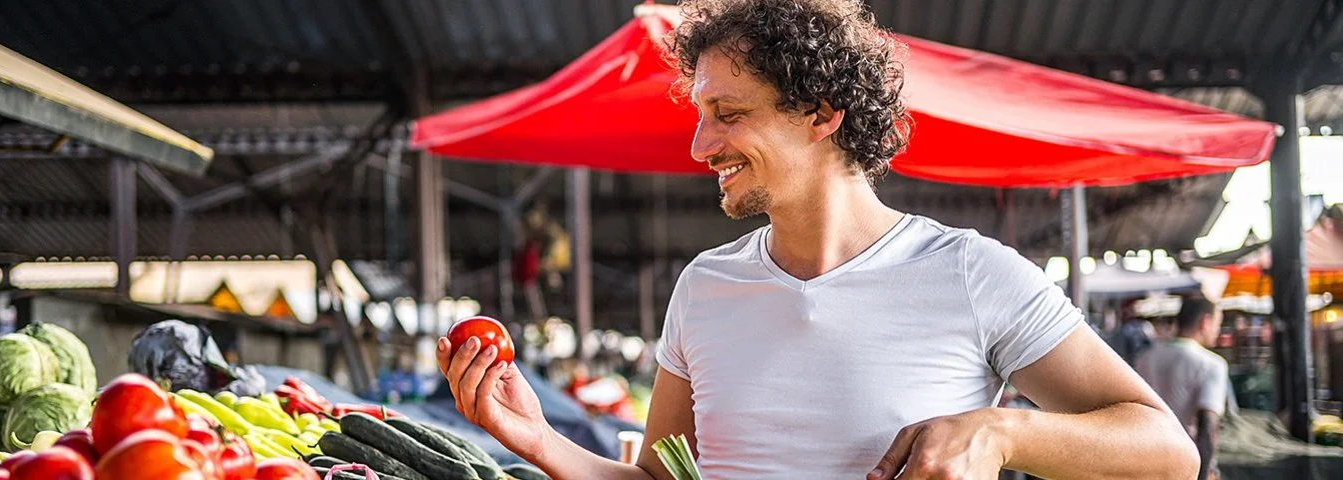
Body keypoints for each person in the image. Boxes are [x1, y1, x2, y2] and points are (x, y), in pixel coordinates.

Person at [436, 1, 1198, 478]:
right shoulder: (705, 286)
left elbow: (1167, 452)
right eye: (699, 115)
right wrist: (535, 439)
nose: (700, 147)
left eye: (728, 113)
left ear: (821, 112)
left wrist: (1002, 431)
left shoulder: (971, 273)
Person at [1134, 297, 1229, 480]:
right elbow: (1207, 427)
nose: (1217, 331)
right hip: (1185, 464)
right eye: (1218, 324)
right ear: (1205, 322)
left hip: (1146, 463)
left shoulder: (1145, 357)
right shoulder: (1212, 365)